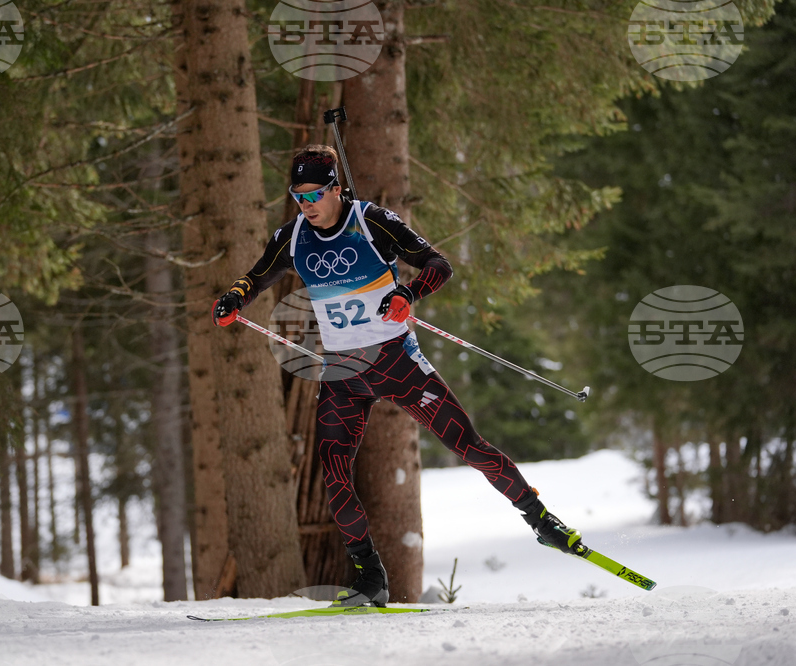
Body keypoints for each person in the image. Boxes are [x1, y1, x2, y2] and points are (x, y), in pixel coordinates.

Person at [212, 145, 582, 607]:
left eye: (316, 194)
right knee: (335, 474)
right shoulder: (291, 237)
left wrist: (409, 293)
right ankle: (370, 576)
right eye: (298, 195)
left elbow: (438, 265)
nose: (307, 204)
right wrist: (234, 298)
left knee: (468, 444)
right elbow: (257, 276)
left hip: (396, 362)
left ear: (336, 188)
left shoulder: (371, 221)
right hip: (343, 371)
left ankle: (542, 521)